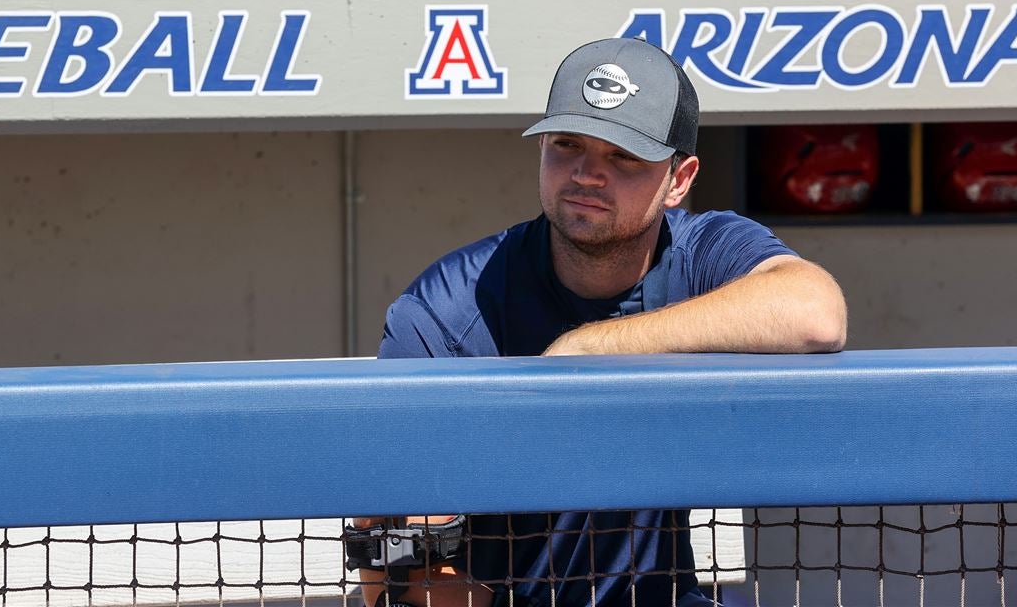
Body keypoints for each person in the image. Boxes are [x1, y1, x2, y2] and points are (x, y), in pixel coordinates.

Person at [353, 37, 847, 607]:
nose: (587, 173)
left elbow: (815, 311)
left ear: (679, 179)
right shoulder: (452, 308)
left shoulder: (704, 251)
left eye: (624, 155)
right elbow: (394, 561)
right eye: (567, 144)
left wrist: (591, 346)